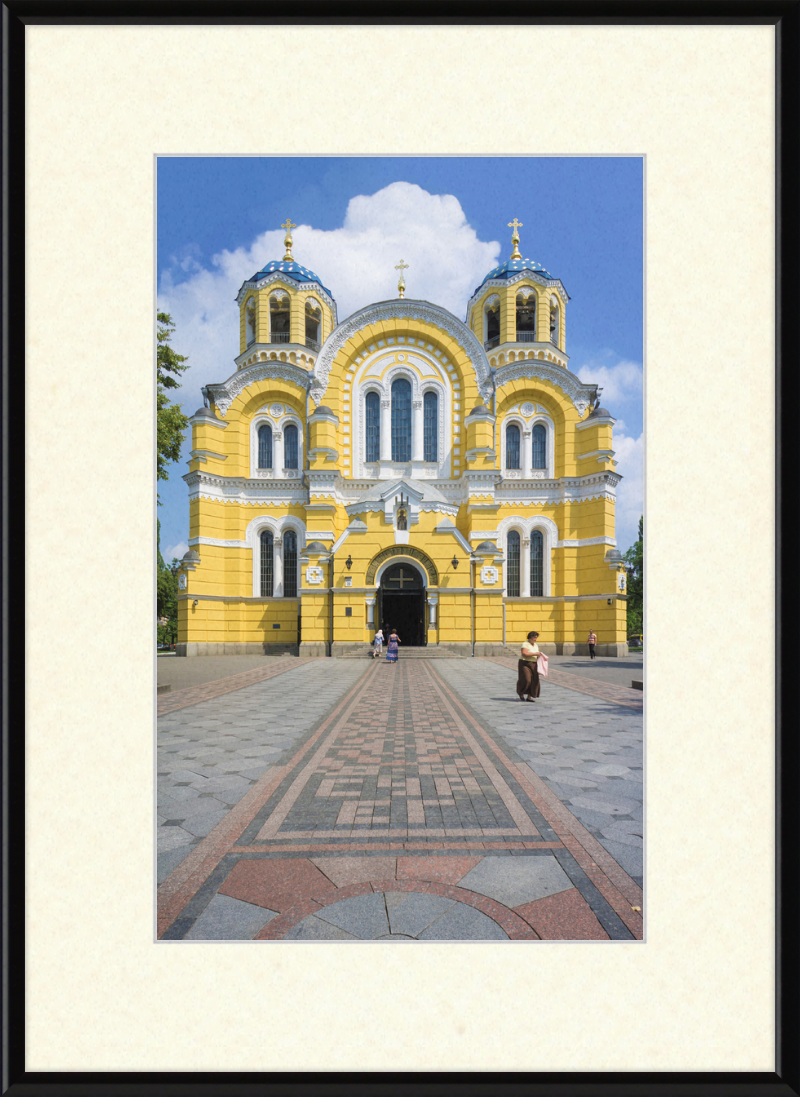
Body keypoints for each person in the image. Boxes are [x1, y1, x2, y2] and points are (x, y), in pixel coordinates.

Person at [517, 630, 543, 701]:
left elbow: (537, 654)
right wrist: (535, 654)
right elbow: (524, 654)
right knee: (526, 679)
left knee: (534, 680)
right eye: (534, 637)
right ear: (530, 637)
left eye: (536, 637)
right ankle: (521, 693)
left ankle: (529, 696)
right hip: (525, 663)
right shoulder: (525, 644)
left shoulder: (536, 645)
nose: (535, 639)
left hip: (534, 664)